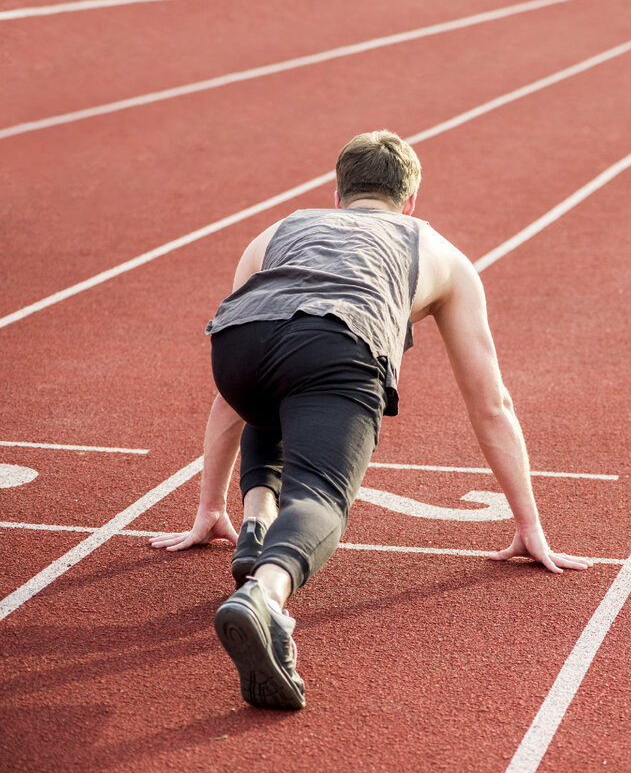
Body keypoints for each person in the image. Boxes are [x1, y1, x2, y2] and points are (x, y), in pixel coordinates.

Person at [149, 130, 590, 710]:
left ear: (337, 194)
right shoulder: (443, 255)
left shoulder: (278, 230)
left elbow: (239, 394)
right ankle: (266, 595)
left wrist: (210, 508)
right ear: (411, 202)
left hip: (235, 350)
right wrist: (528, 522)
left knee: (273, 389)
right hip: (337, 342)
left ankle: (255, 521)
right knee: (323, 497)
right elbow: (490, 402)